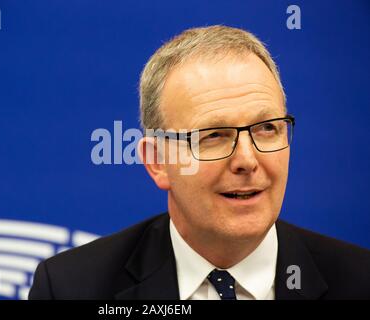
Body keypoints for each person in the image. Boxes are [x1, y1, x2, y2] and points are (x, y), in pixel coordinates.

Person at [29, 25, 370, 300]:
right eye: (214, 136)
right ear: (157, 161)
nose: (247, 160)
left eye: (267, 129)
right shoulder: (71, 288)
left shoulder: (359, 281)